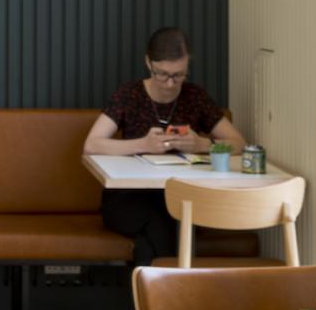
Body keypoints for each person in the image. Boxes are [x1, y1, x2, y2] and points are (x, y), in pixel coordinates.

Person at [83, 27, 248, 265]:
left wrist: (201, 143)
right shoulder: (129, 95)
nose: (170, 83)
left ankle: (154, 298)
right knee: (167, 221)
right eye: (162, 74)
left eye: (179, 75)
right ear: (148, 63)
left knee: (153, 237)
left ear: (188, 66)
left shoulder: (195, 97)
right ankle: (179, 295)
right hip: (129, 199)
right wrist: (142, 144)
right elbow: (92, 144)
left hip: (181, 197)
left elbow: (239, 144)